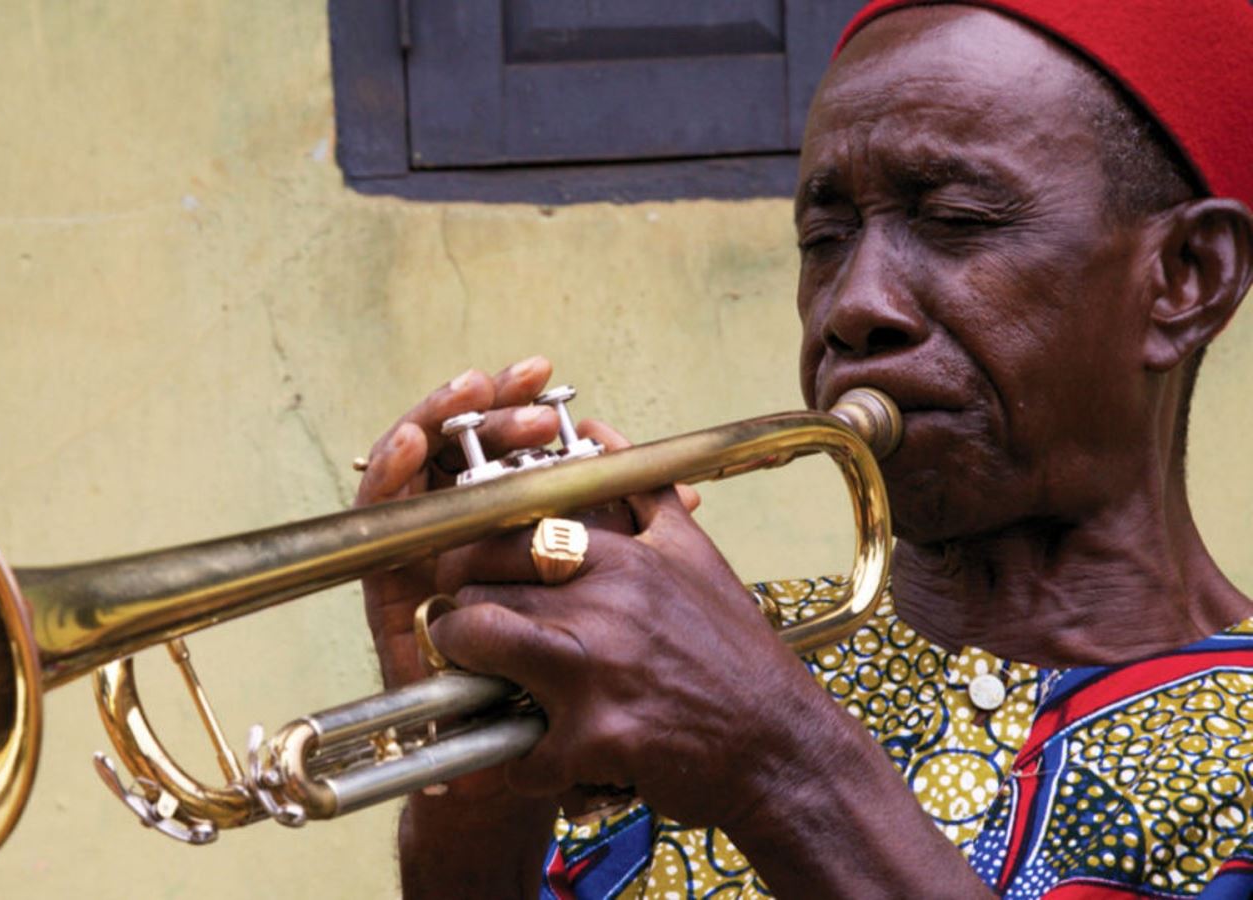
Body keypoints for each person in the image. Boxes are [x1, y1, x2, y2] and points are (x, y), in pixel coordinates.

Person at [351, 1, 1253, 896]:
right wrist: (474, 800)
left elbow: (767, 740)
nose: (855, 304)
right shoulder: (675, 661)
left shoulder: (734, 687)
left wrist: (780, 759)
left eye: (955, 218)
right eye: (825, 238)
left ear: (1187, 277)